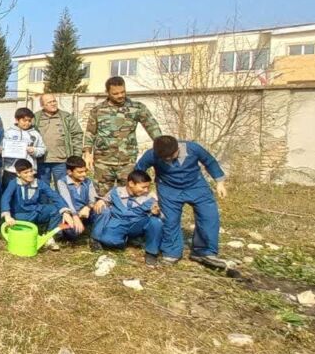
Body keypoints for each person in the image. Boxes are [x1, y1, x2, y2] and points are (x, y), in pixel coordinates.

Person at [135, 135, 229, 270]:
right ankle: (171, 252)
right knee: (170, 220)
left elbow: (209, 161)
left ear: (177, 149)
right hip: (168, 189)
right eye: (164, 158)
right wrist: (145, 191)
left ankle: (204, 251)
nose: (168, 159)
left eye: (171, 156)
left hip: (196, 186)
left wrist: (220, 182)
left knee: (209, 216)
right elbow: (139, 171)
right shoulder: (152, 154)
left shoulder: (192, 148)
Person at [84, 76, 162, 195]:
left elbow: (152, 127)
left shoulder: (137, 107)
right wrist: (87, 153)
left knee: (130, 195)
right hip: (103, 162)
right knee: (101, 196)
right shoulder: (97, 110)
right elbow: (90, 132)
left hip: (127, 161)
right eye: (115, 93)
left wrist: (162, 146)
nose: (120, 95)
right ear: (107, 92)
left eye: (122, 92)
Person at [91, 171, 166, 267]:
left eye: (148, 187)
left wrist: (157, 213)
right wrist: (101, 201)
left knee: (156, 222)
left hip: (137, 224)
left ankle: (151, 253)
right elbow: (106, 199)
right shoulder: (116, 192)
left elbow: (162, 216)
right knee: (108, 240)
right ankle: (128, 240)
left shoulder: (150, 197)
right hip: (118, 224)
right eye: (143, 187)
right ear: (131, 183)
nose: (146, 190)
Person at [0, 160, 74, 250]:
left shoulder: (39, 183)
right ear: (18, 174)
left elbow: (54, 195)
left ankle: (49, 237)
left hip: (36, 211)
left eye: (31, 171)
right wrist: (7, 215)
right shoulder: (14, 183)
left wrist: (65, 211)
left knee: (56, 210)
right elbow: (5, 198)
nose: (30, 174)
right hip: (20, 215)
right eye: (25, 173)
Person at [35, 94, 83, 185]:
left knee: (63, 188)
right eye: (49, 102)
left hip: (62, 162)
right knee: (42, 189)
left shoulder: (66, 117)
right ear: (42, 105)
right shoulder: (36, 118)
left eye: (54, 101)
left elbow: (77, 135)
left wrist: (76, 157)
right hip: (41, 161)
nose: (53, 104)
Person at [55, 156, 106, 242]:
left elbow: (93, 198)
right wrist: (75, 215)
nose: (84, 174)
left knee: (104, 211)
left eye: (85, 171)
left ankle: (95, 238)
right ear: (69, 172)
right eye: (80, 172)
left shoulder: (88, 181)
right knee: (71, 232)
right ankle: (65, 231)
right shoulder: (62, 182)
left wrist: (88, 207)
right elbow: (67, 201)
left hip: (86, 213)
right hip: (71, 214)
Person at [0, 107, 46, 196]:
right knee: (8, 193)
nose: (27, 123)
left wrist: (34, 150)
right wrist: (1, 149)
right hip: (11, 170)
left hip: (28, 171)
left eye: (29, 121)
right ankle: (7, 205)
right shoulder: (8, 133)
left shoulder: (35, 134)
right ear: (17, 120)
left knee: (27, 194)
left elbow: (42, 149)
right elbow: (0, 147)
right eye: (24, 120)